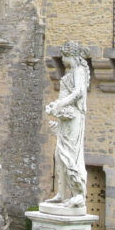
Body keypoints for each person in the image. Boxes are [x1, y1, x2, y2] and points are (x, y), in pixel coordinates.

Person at [43, 40, 91, 208]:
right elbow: (64, 97)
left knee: (71, 155)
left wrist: (59, 105)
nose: (62, 59)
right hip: (65, 117)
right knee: (59, 155)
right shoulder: (71, 74)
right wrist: (55, 106)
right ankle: (62, 194)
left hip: (74, 117)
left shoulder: (79, 71)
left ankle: (78, 194)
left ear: (72, 56)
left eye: (64, 55)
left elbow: (78, 92)